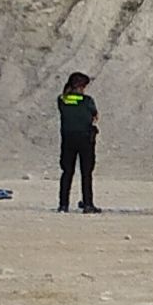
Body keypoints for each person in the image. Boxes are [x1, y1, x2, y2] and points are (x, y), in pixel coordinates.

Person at [54, 72, 100, 214]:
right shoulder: (87, 101)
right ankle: (88, 204)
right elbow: (95, 115)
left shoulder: (62, 99)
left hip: (68, 139)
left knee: (67, 172)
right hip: (85, 139)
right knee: (86, 173)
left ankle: (63, 204)